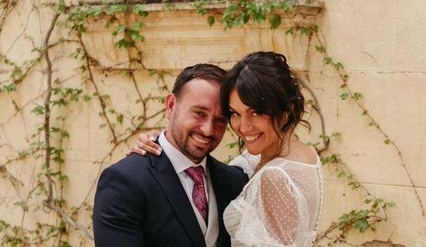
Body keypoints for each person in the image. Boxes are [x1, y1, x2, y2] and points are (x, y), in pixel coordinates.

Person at [134, 51, 323, 247]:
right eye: (235, 113)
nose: (243, 126)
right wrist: (160, 142)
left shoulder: (275, 177)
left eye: (256, 112)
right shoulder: (299, 155)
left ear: (286, 110)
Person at [92, 63, 248, 247]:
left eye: (220, 120)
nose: (208, 130)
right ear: (171, 105)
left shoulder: (235, 182)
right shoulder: (125, 181)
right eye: (199, 113)